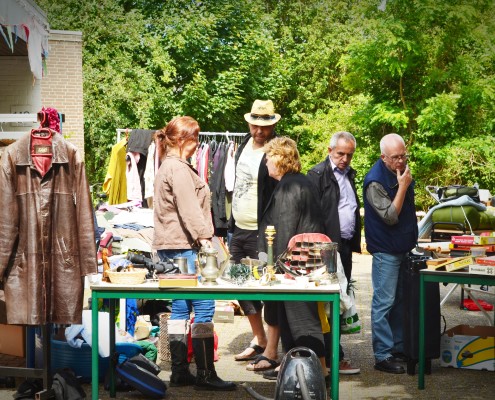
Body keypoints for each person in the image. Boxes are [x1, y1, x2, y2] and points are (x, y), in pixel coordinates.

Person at [152, 116, 236, 391]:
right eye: (195, 138)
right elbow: (188, 208)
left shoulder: (170, 166)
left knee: (178, 307)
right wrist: (206, 240)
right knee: (203, 308)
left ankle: (179, 371)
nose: (198, 144)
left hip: (170, 246)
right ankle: (205, 373)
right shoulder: (177, 168)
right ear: (182, 140)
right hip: (184, 247)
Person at [256, 136, 330, 385]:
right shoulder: (299, 182)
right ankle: (301, 371)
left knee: (301, 321)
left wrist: (273, 269)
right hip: (304, 263)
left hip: (296, 266)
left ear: (278, 158)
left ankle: (317, 374)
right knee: (298, 319)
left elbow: (283, 231)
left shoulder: (289, 187)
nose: (266, 163)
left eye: (268, 158)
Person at [363, 133, 418, 374]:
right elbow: (390, 216)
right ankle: (382, 356)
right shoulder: (374, 181)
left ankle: (398, 348)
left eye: (403, 155)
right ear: (383, 157)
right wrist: (404, 186)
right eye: (395, 157)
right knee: (383, 303)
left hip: (402, 248)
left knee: (399, 303)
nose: (401, 161)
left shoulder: (400, 171)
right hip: (386, 251)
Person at [229, 99, 279, 363]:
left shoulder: (276, 149)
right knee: (240, 284)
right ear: (249, 123)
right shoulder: (242, 146)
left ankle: (271, 350)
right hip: (239, 228)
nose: (259, 131)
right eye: (255, 125)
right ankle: (259, 339)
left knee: (268, 288)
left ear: (273, 125)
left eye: (265, 126)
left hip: (264, 231)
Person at [307, 131, 361, 375]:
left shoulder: (349, 174)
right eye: (340, 153)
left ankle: (334, 354)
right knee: (329, 305)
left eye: (349, 154)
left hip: (345, 247)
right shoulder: (317, 175)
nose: (345, 159)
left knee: (340, 302)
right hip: (327, 249)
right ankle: (329, 357)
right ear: (329, 151)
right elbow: (312, 216)